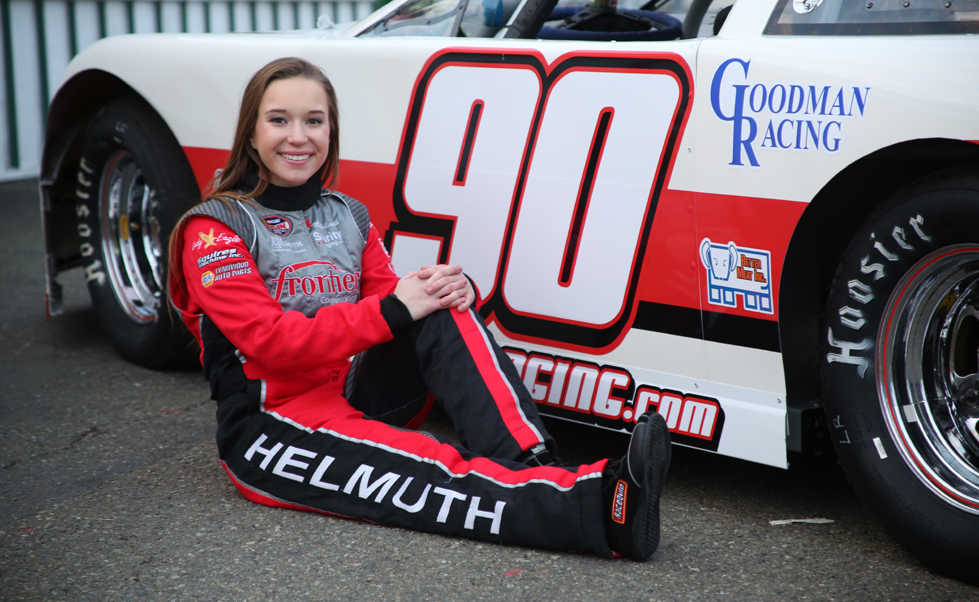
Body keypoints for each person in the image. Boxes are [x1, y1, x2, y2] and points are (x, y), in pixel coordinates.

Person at [167, 57, 671, 560]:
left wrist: (452, 289)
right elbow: (270, 342)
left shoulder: (347, 214)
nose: (298, 136)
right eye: (279, 120)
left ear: (331, 132)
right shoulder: (213, 228)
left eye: (313, 121)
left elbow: (396, 306)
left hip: (354, 391)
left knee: (438, 300)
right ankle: (603, 508)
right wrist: (396, 307)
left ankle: (533, 463)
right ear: (251, 134)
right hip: (272, 424)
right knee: (430, 469)